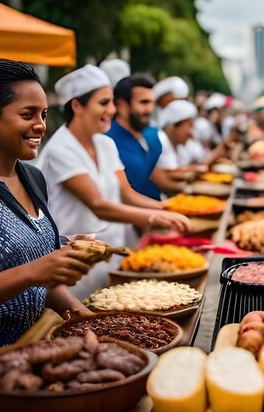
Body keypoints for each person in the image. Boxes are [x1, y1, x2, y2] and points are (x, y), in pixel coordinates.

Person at [36, 67, 190, 298]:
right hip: (77, 261)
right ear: (77, 106)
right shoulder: (61, 149)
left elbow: (126, 193)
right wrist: (154, 217)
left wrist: (168, 209)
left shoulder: (105, 144)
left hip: (112, 255)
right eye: (104, 102)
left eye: (111, 103)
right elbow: (98, 205)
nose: (112, 110)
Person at [0, 61, 92, 349]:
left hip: (36, 342)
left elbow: (45, 279)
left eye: (43, 114)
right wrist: (34, 271)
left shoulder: (33, 178)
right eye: (28, 114)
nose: (41, 125)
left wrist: (88, 321)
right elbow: (35, 272)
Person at [106, 75, 166, 200]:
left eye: (152, 103)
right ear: (121, 105)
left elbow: (154, 176)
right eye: (144, 102)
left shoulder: (151, 136)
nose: (149, 109)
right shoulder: (107, 140)